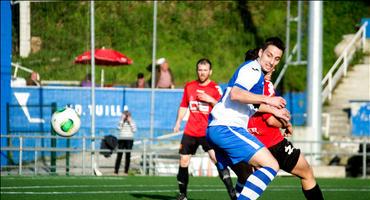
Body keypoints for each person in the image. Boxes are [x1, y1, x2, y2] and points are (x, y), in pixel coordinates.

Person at [207, 37, 291, 200]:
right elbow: (236, 94)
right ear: (260, 53)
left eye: (277, 59)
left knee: (246, 174)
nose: (272, 62)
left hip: (219, 129)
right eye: (269, 55)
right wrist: (268, 99)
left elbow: (252, 105)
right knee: (271, 165)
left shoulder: (256, 75)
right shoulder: (252, 69)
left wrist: (276, 112)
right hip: (227, 128)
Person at [244, 51, 324, 199]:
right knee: (307, 174)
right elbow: (270, 120)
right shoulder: (265, 86)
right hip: (273, 143)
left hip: (249, 143)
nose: (272, 67)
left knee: (247, 183)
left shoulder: (241, 86)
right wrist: (285, 123)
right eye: (269, 62)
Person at [174, 58, 235, 200]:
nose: (202, 73)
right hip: (190, 130)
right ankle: (182, 195)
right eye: (200, 70)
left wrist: (210, 99)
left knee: (216, 159)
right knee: (183, 161)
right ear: (197, 71)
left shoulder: (215, 88)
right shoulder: (189, 86)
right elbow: (184, 105)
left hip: (207, 131)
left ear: (210, 72)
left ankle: (232, 193)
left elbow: (223, 109)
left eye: (205, 70)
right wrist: (178, 122)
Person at [114, 105, 137, 175]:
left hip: (129, 139)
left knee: (128, 155)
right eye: (125, 114)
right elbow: (118, 128)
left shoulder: (132, 121)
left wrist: (130, 122)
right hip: (121, 139)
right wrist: (122, 120)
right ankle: (116, 171)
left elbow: (134, 130)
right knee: (119, 155)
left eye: (127, 114)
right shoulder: (121, 121)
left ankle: (126, 171)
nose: (126, 116)